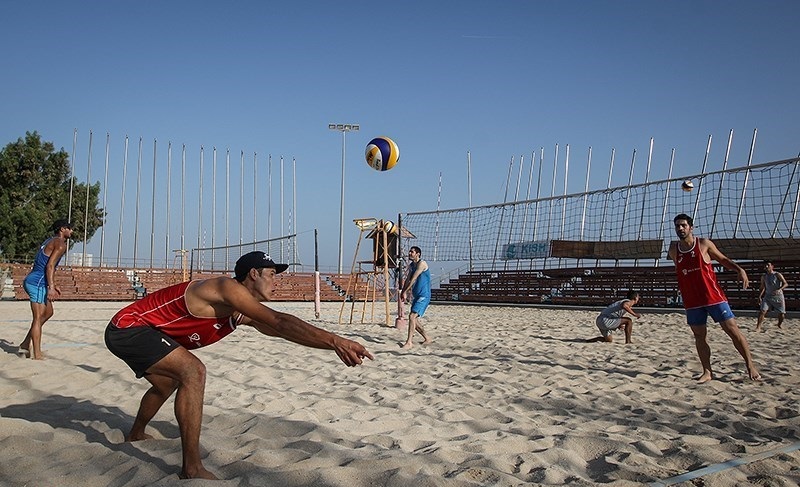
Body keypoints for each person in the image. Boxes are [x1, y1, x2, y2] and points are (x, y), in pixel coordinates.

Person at [104, 251, 373, 480]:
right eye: (271, 274)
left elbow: (282, 331)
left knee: (168, 382)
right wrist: (337, 339)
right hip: (128, 328)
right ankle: (192, 468)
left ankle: (136, 434)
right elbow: (279, 321)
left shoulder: (240, 311)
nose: (276, 282)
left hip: (145, 332)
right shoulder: (225, 288)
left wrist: (332, 345)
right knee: (193, 371)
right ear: (253, 274)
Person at [668, 213, 761, 382]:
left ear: (691, 227)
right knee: (699, 336)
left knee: (732, 330)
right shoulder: (674, 249)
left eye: (683, 225)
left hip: (713, 296)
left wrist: (739, 269)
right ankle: (707, 372)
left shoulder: (703, 244)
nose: (680, 228)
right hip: (692, 300)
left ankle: (750, 366)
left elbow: (723, 259)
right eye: (677, 226)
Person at [18, 219, 73, 360]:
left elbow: (48, 266)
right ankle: (37, 354)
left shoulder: (50, 240)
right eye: (69, 228)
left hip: (38, 280)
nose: (71, 230)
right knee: (37, 317)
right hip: (36, 282)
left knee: (48, 313)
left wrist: (53, 284)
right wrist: (51, 287)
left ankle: (25, 343)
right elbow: (49, 266)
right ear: (62, 229)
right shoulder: (60, 244)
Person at [400, 246, 432, 349]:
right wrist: (402, 292)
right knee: (414, 320)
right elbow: (408, 279)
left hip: (424, 295)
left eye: (412, 252)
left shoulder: (422, 264)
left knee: (412, 316)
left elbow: (413, 279)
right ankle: (427, 338)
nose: (410, 253)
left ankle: (409, 342)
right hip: (417, 295)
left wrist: (405, 291)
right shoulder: (411, 265)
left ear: (417, 254)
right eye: (410, 251)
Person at [755, 261, 788, 331]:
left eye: (768, 265)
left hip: (778, 296)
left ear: (772, 267)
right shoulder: (764, 276)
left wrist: (780, 289)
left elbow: (785, 284)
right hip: (768, 296)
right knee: (762, 311)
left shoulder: (777, 274)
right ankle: (758, 327)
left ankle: (779, 324)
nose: (766, 267)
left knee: (781, 313)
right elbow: (763, 287)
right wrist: (760, 296)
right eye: (765, 265)